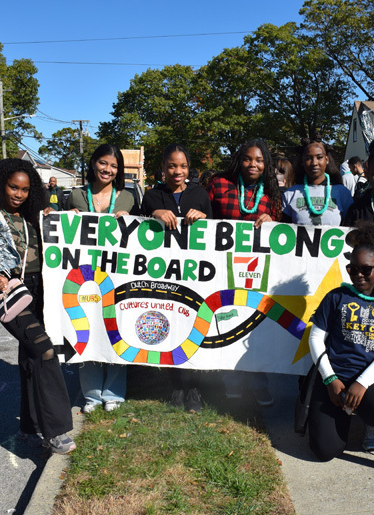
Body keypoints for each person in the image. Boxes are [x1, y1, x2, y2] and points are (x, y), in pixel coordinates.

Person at [0, 158, 76, 454]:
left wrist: (58, 218)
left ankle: (29, 426)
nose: (18, 194)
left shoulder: (33, 214)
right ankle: (55, 432)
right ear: (0, 185)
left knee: (30, 359)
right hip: (11, 294)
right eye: (13, 187)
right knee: (45, 351)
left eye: (25, 189)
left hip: (41, 290)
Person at [306, 223, 374, 461]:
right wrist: (330, 379)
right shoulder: (336, 297)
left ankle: (364, 417)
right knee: (324, 451)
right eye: (353, 269)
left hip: (369, 378)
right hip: (334, 377)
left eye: (366, 269)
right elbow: (316, 338)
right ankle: (342, 411)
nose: (359, 274)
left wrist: (362, 383)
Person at [205, 139, 282, 406]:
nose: (253, 164)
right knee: (226, 322)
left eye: (259, 160)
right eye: (248, 159)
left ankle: (259, 384)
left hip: (255, 272)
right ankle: (231, 382)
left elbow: (285, 231)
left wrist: (273, 221)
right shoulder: (218, 184)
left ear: (266, 164)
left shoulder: (271, 193)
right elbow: (203, 218)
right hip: (221, 269)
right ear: (240, 160)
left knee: (254, 328)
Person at [140, 143, 211, 412]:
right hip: (164, 276)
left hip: (195, 276)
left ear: (189, 168)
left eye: (182, 166)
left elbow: (217, 232)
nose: (177, 171)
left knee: (194, 328)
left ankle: (194, 388)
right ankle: (176, 385)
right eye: (172, 166)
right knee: (170, 329)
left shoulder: (200, 194)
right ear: (163, 167)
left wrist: (203, 217)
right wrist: (153, 214)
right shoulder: (152, 196)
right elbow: (135, 232)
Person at [66, 144, 134, 413]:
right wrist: (65, 218)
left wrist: (130, 219)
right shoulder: (76, 195)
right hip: (83, 275)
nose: (108, 169)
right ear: (93, 163)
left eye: (114, 166)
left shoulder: (127, 198)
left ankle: (114, 393)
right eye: (103, 163)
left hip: (117, 275)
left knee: (117, 328)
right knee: (87, 330)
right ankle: (92, 396)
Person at [281, 138, 353, 226]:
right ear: (302, 161)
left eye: (319, 157)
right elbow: (282, 229)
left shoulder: (342, 193)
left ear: (327, 159)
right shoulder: (290, 194)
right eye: (308, 158)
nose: (314, 163)